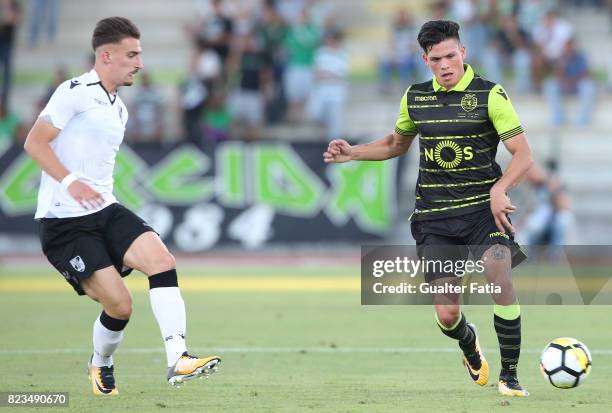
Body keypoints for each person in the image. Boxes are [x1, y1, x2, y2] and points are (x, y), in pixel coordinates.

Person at [323, 20, 533, 397]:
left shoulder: (490, 95)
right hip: (434, 217)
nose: (445, 64)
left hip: (482, 211)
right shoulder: (415, 97)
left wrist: (501, 189)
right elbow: (395, 144)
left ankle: (510, 376)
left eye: (451, 55)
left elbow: (523, 154)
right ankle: (468, 343)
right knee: (447, 313)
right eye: (437, 59)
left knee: (498, 275)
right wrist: (352, 152)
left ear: (463, 53)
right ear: (426, 60)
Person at [23, 17, 221, 396]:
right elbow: (35, 142)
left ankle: (178, 359)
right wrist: (70, 181)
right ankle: (101, 363)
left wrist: (88, 187)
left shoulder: (119, 108)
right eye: (132, 55)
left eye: (140, 55)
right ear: (107, 55)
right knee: (120, 306)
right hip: (64, 222)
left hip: (104, 209)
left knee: (162, 261)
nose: (139, 63)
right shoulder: (74, 91)